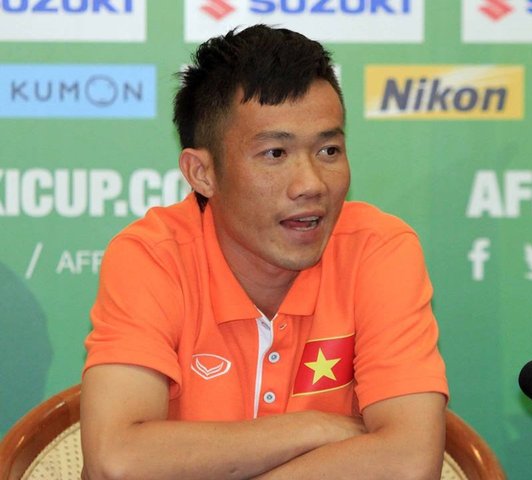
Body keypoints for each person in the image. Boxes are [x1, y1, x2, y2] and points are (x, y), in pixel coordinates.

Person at [81, 24, 448, 480]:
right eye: (275, 153)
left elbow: (409, 461)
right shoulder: (153, 256)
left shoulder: (378, 250)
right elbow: (117, 460)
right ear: (202, 173)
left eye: (329, 150)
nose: (311, 184)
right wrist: (316, 428)